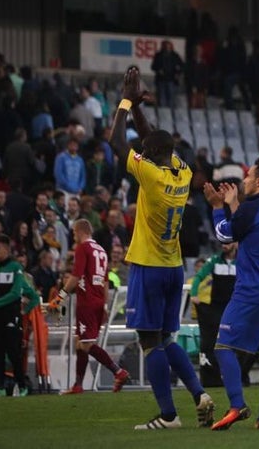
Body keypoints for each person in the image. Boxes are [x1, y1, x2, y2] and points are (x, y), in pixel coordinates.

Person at [109, 66, 214, 429]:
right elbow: (153, 139)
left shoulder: (150, 175)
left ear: (149, 156)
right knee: (168, 337)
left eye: (145, 151)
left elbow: (116, 142)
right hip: (174, 267)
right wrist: (139, 106)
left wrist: (124, 100)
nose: (142, 150)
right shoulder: (180, 171)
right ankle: (199, 392)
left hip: (148, 266)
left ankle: (169, 415)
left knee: (150, 341)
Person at [204, 158, 259, 430]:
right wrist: (232, 204)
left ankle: (237, 403)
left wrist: (218, 207)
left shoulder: (251, 209)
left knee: (222, 346)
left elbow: (225, 236)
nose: (244, 179)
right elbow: (250, 228)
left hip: (250, 291)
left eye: (249, 175)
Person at [48, 218, 128, 393]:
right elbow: (105, 281)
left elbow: (75, 276)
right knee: (80, 343)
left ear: (80, 231)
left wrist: (60, 296)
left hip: (87, 302)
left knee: (85, 344)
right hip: (98, 301)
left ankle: (118, 371)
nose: (74, 236)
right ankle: (78, 385)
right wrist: (105, 306)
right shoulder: (101, 250)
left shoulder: (83, 248)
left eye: (75, 233)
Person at [190, 241, 239, 388]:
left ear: (235, 243)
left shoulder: (242, 262)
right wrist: (194, 294)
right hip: (217, 308)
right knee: (213, 342)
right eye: (222, 242)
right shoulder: (214, 261)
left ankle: (238, 376)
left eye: (228, 242)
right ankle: (214, 378)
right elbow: (199, 277)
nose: (224, 245)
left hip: (234, 307)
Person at [0, 232, 40, 396]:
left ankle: (22, 386)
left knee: (14, 355)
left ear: (7, 249)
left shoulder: (15, 268)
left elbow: (17, 294)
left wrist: (23, 311)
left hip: (11, 319)